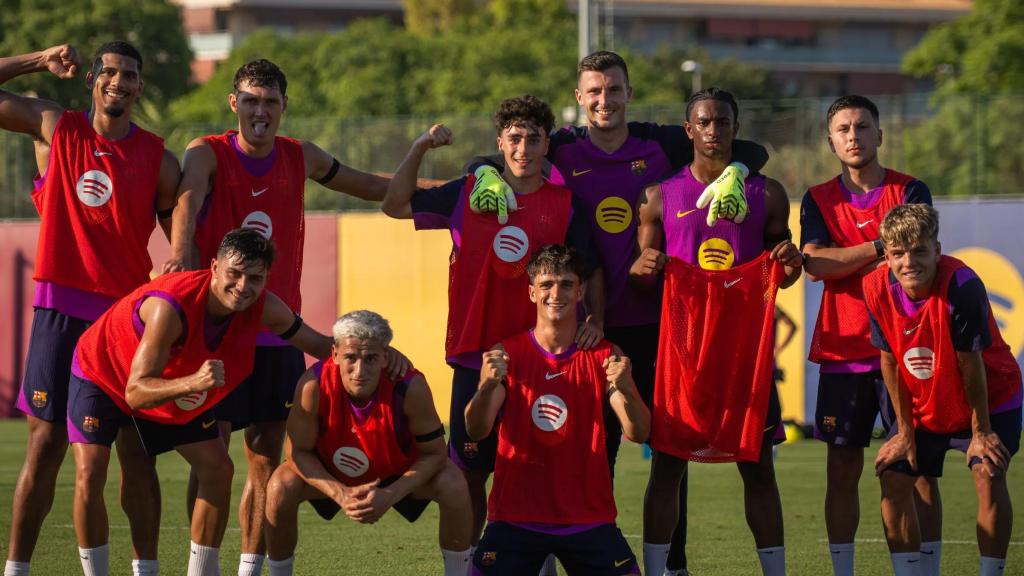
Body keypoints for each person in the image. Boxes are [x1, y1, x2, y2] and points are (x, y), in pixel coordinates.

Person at [467, 51, 771, 575]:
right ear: (579, 97)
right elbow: (502, 154)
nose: (604, 99)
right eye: (594, 90)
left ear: (629, 93)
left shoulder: (660, 142)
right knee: (582, 447)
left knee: (669, 451)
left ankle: (671, 565)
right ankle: (565, 548)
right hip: (587, 327)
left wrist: (739, 170)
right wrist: (482, 172)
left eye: (613, 89)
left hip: (661, 325)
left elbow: (742, 146)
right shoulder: (562, 145)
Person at [161, 59, 393, 576]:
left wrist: (451, 187)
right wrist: (179, 254)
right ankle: (202, 568)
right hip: (218, 331)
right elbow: (186, 201)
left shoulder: (300, 155)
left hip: (278, 331)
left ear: (284, 105)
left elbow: (371, 185)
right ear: (234, 103)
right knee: (212, 458)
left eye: (270, 101)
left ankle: (250, 569)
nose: (260, 111)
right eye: (250, 100)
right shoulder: (207, 152)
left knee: (267, 457)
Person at [381, 95, 601, 547]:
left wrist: (594, 319)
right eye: (514, 138)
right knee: (468, 476)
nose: (523, 148)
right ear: (499, 142)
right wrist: (420, 146)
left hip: (544, 359)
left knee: (541, 471)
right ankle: (464, 567)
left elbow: (590, 270)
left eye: (534, 139)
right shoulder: (466, 193)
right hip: (475, 355)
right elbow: (394, 204)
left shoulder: (565, 204)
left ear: (546, 146)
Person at [0, 41, 180, 576]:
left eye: (130, 75)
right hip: (59, 312)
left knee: (136, 451)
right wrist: (37, 60)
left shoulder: (159, 159)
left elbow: (183, 242)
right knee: (45, 447)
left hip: (123, 323)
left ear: (140, 87)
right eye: (109, 71)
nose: (119, 81)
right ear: (91, 79)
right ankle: (16, 569)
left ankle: (145, 570)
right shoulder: (56, 127)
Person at [68, 228, 338, 576]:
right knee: (90, 472)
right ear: (213, 267)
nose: (243, 286)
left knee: (218, 468)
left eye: (255, 278)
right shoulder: (170, 307)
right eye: (234, 273)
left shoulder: (265, 306)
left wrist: (374, 351)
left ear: (267, 279)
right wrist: (194, 382)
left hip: (172, 378)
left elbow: (320, 345)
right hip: (103, 372)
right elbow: (136, 392)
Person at [630, 87, 803, 576]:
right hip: (682, 356)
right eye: (703, 122)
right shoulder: (659, 196)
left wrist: (790, 264)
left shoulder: (767, 194)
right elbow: (640, 276)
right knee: (667, 469)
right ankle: (657, 571)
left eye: (722, 122)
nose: (713, 130)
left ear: (735, 127)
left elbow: (784, 270)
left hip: (744, 356)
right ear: (689, 130)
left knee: (759, 469)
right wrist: (642, 269)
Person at [800, 95, 937, 576]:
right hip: (844, 351)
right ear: (830, 141)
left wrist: (846, 258)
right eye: (843, 129)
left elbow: (917, 260)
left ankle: (922, 571)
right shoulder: (818, 198)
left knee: (915, 469)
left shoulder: (911, 189)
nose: (853, 136)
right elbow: (815, 264)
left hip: (906, 350)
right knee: (841, 469)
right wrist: (881, 246)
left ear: (880, 134)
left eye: (862, 127)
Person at [465, 244, 649, 575]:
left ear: (580, 292)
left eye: (566, 284)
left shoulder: (605, 355)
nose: (556, 293)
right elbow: (476, 430)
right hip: (516, 518)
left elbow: (639, 432)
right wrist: (486, 386)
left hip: (588, 519)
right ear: (532, 292)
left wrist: (628, 389)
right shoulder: (506, 354)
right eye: (546, 284)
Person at [865, 204, 1022, 576]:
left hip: (989, 396)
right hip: (925, 399)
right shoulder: (873, 287)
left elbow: (971, 363)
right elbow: (890, 360)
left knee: (988, 471)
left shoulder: (962, 285)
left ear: (937, 250)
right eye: (898, 253)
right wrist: (904, 433)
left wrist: (981, 433)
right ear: (886, 257)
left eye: (919, 251)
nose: (908, 262)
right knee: (896, 474)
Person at [264, 310, 473, 576]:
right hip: (332, 474)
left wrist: (391, 494)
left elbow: (435, 454)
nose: (360, 371)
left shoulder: (411, 386)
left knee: (453, 483)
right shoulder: (312, 385)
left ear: (386, 356)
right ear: (334, 354)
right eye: (350, 357)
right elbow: (297, 452)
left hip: (398, 474)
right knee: (280, 485)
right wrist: (341, 493)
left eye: (371, 358)